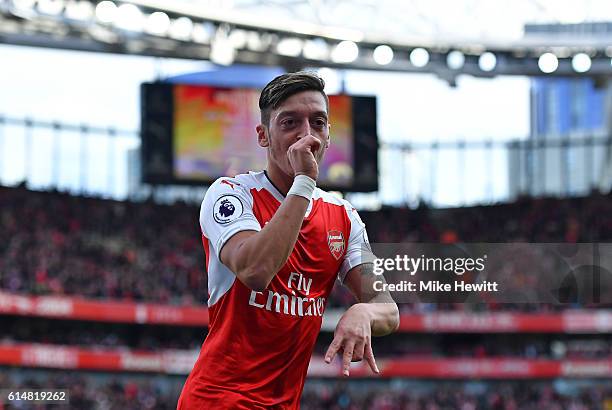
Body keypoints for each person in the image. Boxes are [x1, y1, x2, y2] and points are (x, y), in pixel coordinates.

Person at [177, 71, 399, 409]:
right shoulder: (231, 194)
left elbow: (388, 309)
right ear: (263, 136)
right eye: (290, 123)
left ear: (328, 135)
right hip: (218, 401)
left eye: (318, 123)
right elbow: (255, 271)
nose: (306, 135)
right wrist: (304, 183)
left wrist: (365, 312)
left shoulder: (343, 217)